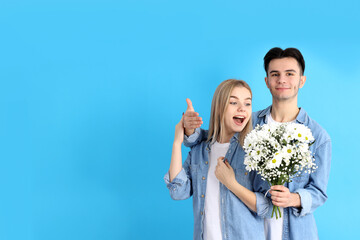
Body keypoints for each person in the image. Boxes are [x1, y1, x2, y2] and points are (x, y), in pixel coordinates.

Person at [183, 47, 331, 240]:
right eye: (275, 74)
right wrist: (188, 130)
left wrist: (292, 199)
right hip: (247, 229)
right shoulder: (247, 122)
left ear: (302, 80)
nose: (282, 80)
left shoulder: (317, 136)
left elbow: (319, 192)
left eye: (290, 74)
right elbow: (215, 137)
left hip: (295, 233)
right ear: (267, 82)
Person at [164, 79, 265, 240]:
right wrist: (177, 141)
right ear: (219, 108)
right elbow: (178, 192)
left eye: (247, 104)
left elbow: (266, 206)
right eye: (233, 102)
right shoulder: (200, 150)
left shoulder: (254, 152)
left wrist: (231, 183)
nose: (242, 109)